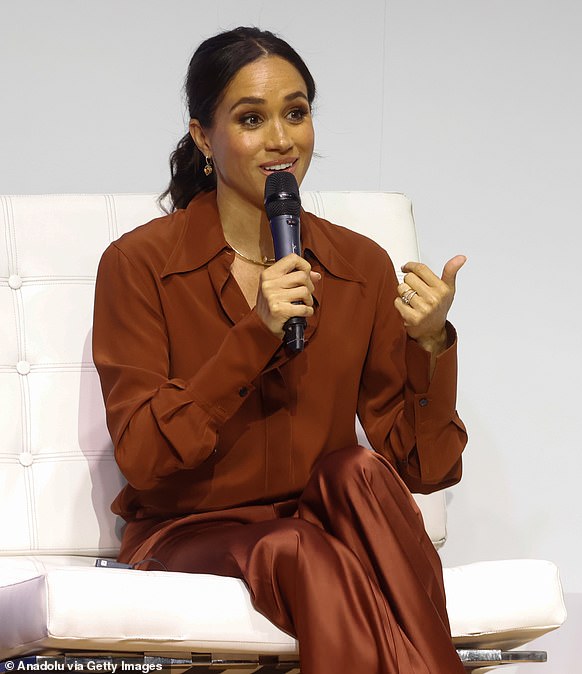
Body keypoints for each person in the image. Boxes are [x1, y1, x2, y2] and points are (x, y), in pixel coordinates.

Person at [92, 26, 468, 674]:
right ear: (204, 138)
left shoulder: (359, 266)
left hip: (320, 518)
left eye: (296, 112)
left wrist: (431, 342)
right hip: (188, 529)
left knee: (357, 471)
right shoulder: (140, 264)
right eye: (251, 118)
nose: (280, 139)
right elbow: (145, 458)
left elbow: (423, 468)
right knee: (298, 547)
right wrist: (256, 335)